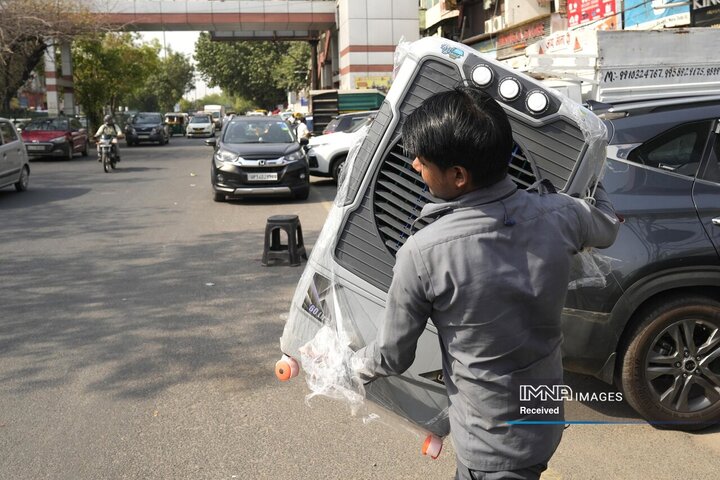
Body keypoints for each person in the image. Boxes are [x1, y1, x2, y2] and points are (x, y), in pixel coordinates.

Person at [353, 86, 620, 480]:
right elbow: (608, 225)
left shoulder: (424, 252)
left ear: (458, 175)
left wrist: (348, 365)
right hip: (543, 417)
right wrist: (594, 169)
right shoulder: (563, 214)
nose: (413, 166)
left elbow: (393, 355)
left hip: (491, 446)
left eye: (422, 161)